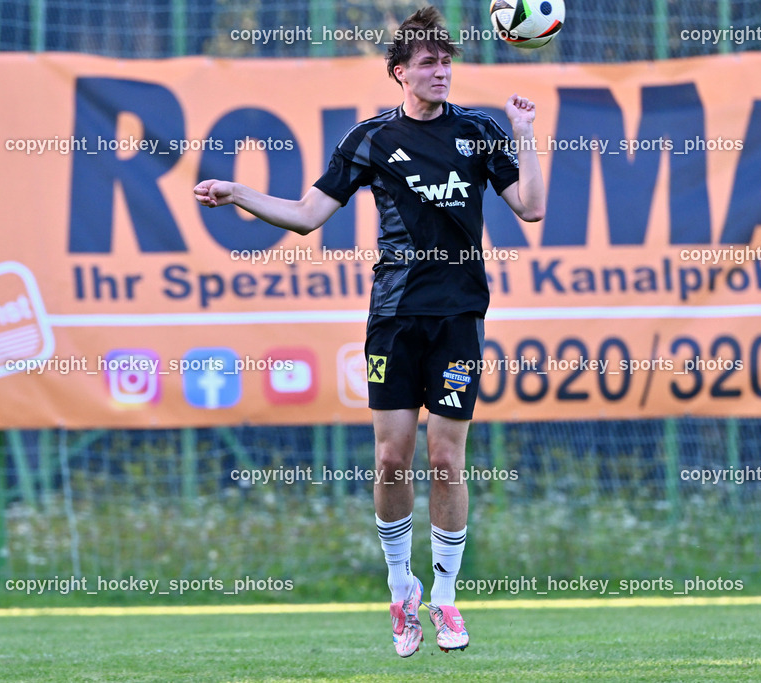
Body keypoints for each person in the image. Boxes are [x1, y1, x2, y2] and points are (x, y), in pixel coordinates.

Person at [194, 6, 545, 658]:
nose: (441, 71)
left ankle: (444, 596)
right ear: (399, 73)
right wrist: (240, 192)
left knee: (445, 459)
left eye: (447, 60)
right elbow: (305, 215)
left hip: (460, 316)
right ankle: (399, 586)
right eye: (427, 63)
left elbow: (531, 206)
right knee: (391, 458)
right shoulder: (370, 139)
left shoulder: (480, 131)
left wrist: (525, 133)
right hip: (392, 317)